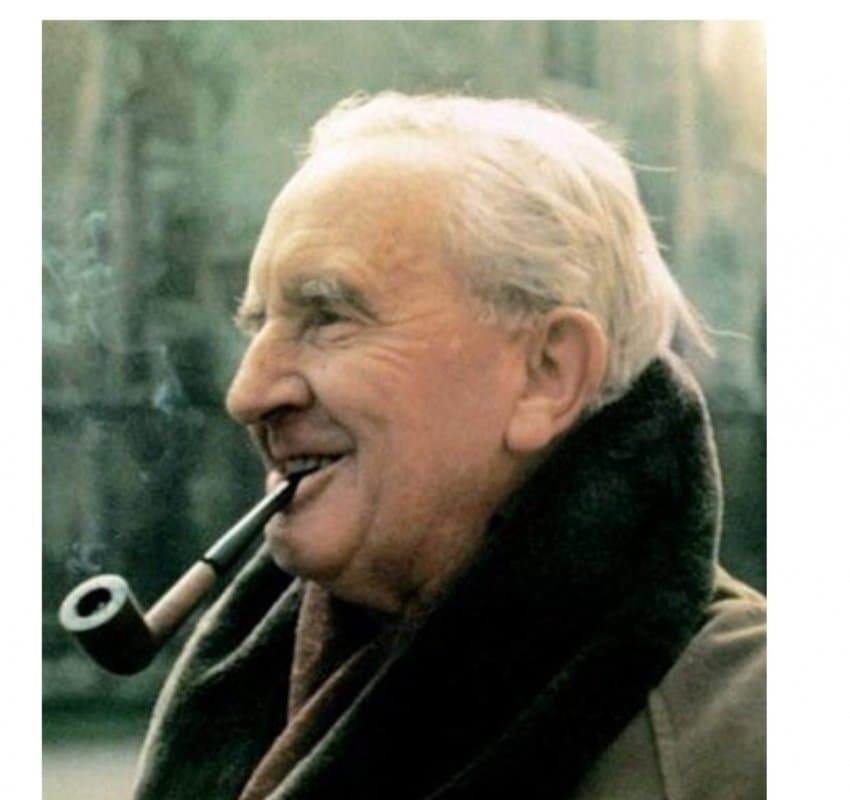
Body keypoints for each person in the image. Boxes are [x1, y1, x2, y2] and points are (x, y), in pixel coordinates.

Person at [134, 93, 766, 799]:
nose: (248, 393)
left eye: (329, 316)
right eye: (260, 324)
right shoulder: (258, 680)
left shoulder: (757, 735)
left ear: (547, 374)